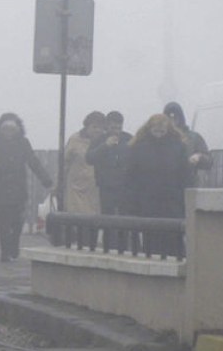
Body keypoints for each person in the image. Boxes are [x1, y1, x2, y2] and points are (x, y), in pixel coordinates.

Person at [0, 113, 53, 263]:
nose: (8, 132)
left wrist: (45, 179)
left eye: (12, 129)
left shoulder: (23, 143)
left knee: (18, 221)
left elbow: (33, 161)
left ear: (17, 130)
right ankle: (5, 253)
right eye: (5, 129)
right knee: (4, 222)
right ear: (0, 129)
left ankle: (14, 245)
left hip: (18, 188)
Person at [123, 113, 191, 256]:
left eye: (162, 131)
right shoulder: (138, 147)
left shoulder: (178, 147)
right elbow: (130, 178)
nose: (159, 134)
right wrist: (131, 205)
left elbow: (185, 177)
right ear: (149, 129)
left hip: (171, 203)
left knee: (173, 242)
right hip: (149, 203)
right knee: (152, 243)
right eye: (156, 131)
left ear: (168, 130)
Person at [86, 110, 132, 215]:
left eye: (119, 128)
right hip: (105, 187)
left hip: (125, 187)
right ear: (107, 126)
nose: (116, 131)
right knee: (107, 219)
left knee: (125, 220)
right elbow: (89, 158)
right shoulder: (99, 140)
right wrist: (105, 146)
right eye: (113, 128)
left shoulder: (129, 139)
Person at [63, 111, 106, 214]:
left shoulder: (105, 142)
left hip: (96, 189)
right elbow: (65, 163)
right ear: (87, 126)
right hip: (76, 189)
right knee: (76, 219)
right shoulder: (75, 140)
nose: (97, 130)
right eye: (94, 127)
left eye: (100, 127)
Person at [163, 102, 212, 186]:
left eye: (175, 118)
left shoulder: (194, 138)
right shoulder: (159, 137)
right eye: (169, 118)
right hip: (163, 185)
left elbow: (209, 162)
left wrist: (199, 157)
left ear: (181, 118)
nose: (172, 121)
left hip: (187, 185)